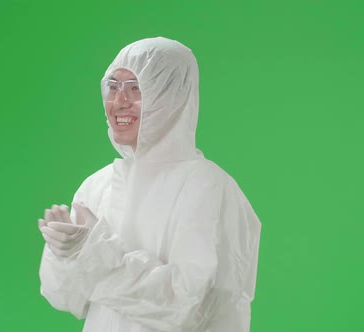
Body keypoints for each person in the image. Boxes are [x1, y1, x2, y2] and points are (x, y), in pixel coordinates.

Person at [37, 37, 262, 332]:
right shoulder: (98, 185)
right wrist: (65, 255)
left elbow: (188, 308)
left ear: (172, 96)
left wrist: (94, 252)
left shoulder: (208, 188)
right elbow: (67, 300)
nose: (119, 102)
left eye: (136, 88)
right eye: (113, 87)